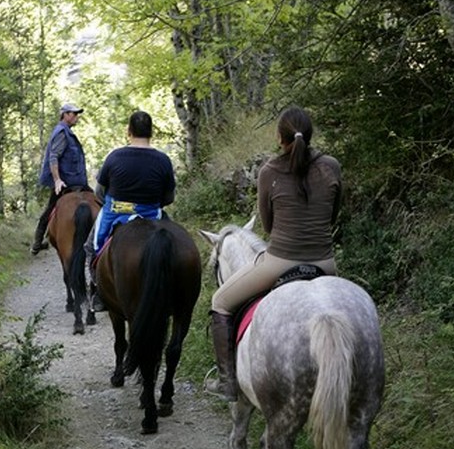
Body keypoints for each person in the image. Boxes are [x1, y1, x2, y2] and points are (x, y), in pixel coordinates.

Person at [206, 105, 342, 400]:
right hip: (326, 263)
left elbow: (267, 226)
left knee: (220, 301)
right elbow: (332, 216)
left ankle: (228, 382)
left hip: (279, 262)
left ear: (280, 138)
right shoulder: (331, 166)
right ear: (310, 134)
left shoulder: (269, 171)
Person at [91, 110, 176, 257]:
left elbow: (99, 193)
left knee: (91, 245)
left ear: (129, 131)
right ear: (151, 132)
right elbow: (169, 198)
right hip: (151, 213)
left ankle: (94, 276)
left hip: (115, 212)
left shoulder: (114, 157)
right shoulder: (163, 160)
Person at [31, 102, 89, 254]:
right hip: (66, 183)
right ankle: (37, 242)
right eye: (74, 114)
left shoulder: (67, 132)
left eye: (77, 114)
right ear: (65, 114)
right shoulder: (62, 133)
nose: (77, 117)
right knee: (49, 210)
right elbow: (54, 156)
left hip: (76, 181)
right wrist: (57, 180)